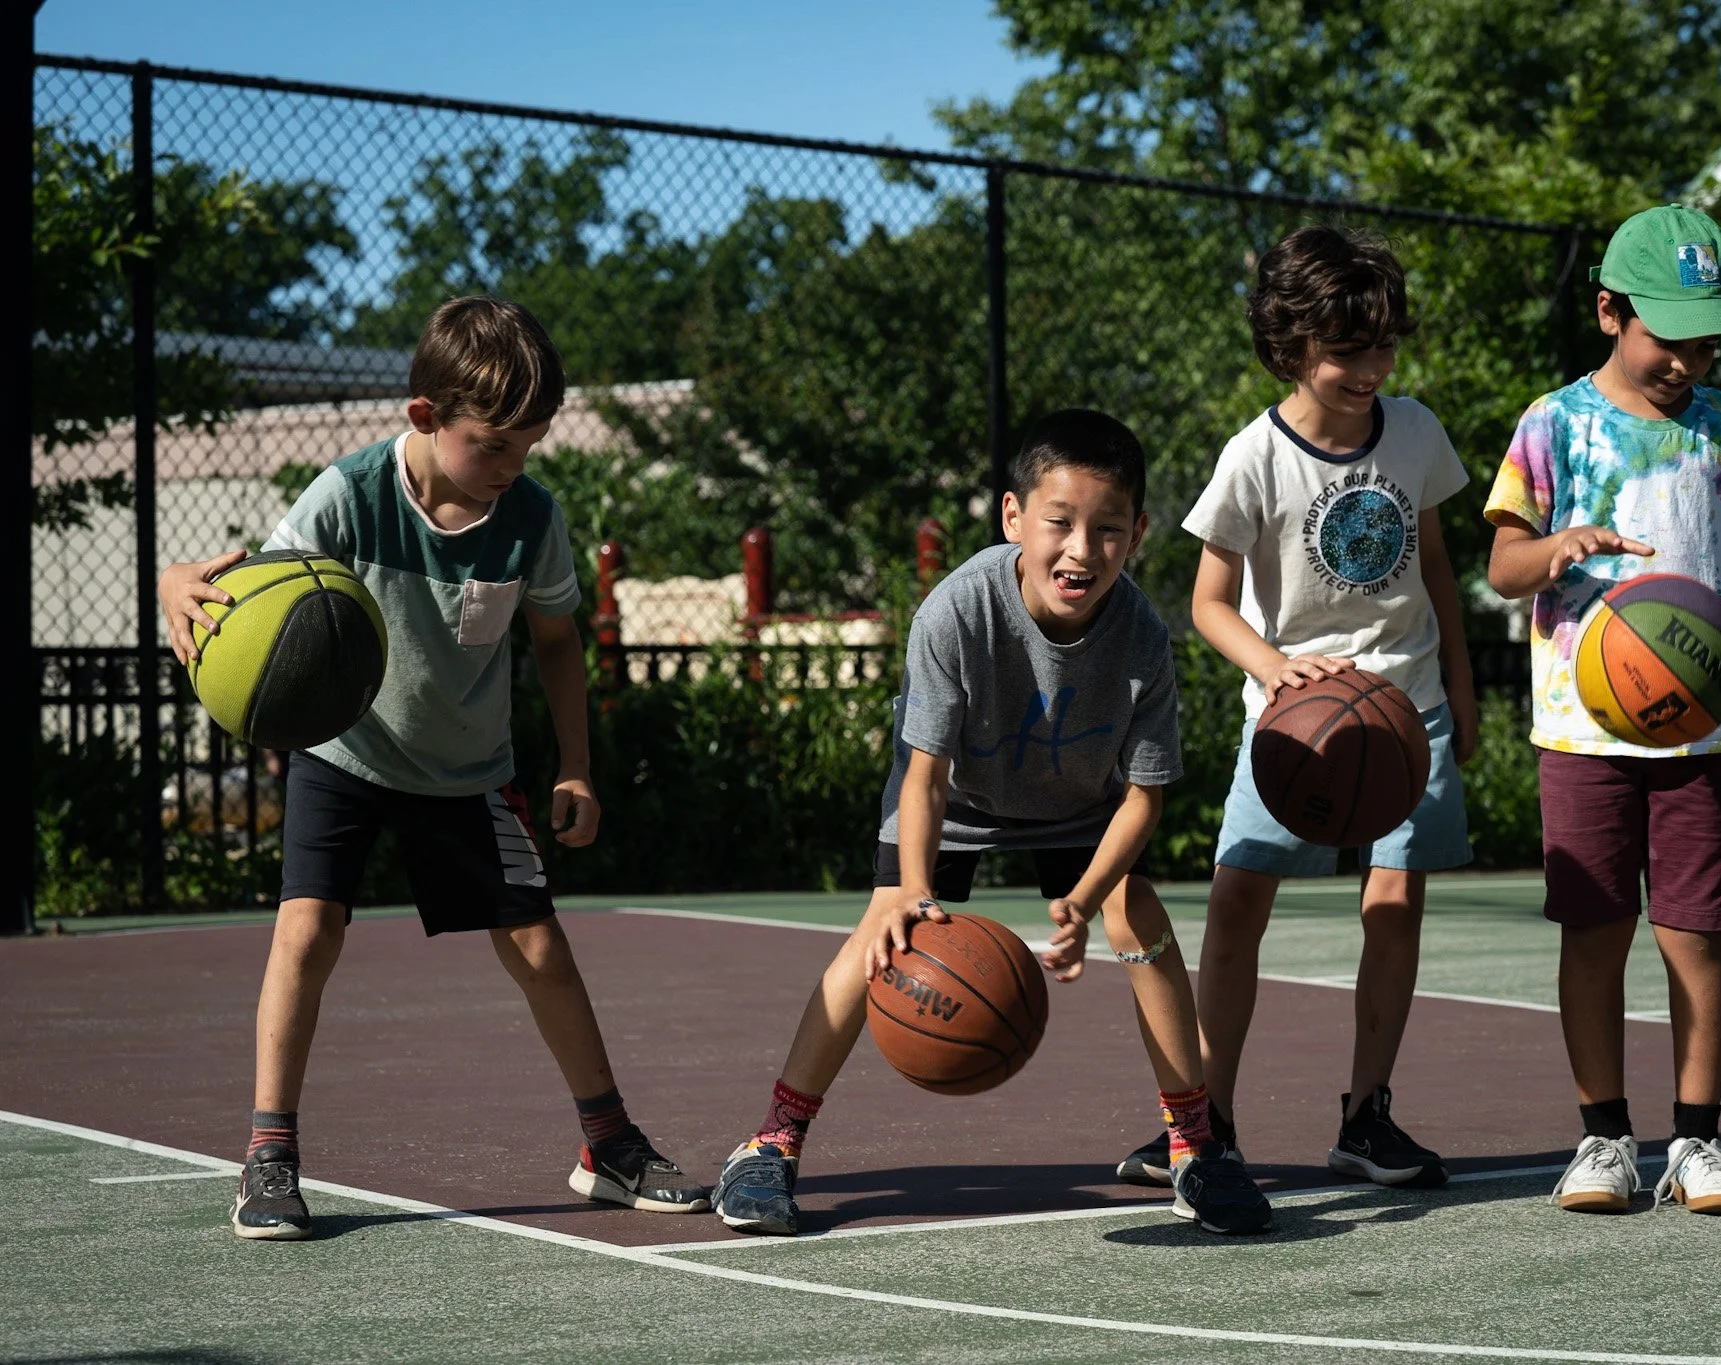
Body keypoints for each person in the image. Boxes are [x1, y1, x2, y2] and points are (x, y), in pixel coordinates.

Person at [157, 297, 709, 1240]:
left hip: (468, 770)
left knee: (541, 948)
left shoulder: (530, 517)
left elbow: (558, 643)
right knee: (306, 934)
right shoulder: (349, 495)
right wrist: (172, 582)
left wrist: (576, 766)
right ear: (424, 417)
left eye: (526, 448)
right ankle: (270, 1153)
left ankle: (608, 1145)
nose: (509, 468)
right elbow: (253, 599)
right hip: (346, 753)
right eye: (490, 446)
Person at [711, 409, 1272, 1237]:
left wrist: (1083, 901)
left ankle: (1195, 1142)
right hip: (958, 796)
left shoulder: (1144, 638)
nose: (1082, 549)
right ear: (1014, 518)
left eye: (1108, 528)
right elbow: (925, 774)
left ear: (1139, 532)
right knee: (881, 929)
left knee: (1139, 916)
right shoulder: (955, 611)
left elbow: (1142, 799)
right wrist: (909, 888)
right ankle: (770, 1143)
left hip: (1079, 802)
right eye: (1060, 523)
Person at [1117, 225, 1476, 1191]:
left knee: (1395, 904)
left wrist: (1465, 694)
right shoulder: (1253, 457)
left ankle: (1367, 1115)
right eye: (1346, 350)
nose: (1371, 368)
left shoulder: (1416, 431)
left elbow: (1437, 570)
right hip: (1296, 719)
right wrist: (1273, 668)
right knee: (1236, 905)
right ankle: (1205, 1119)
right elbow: (1205, 602)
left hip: (1407, 706)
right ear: (1289, 346)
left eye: (1384, 346)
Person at [1483, 204, 1721, 1216]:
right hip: (1582, 733)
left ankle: (1696, 1142)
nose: (1688, 357)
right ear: (1608, 312)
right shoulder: (1550, 422)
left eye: (1705, 336)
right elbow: (1499, 568)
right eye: (1669, 333)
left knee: (1696, 935)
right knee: (1593, 930)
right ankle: (1602, 1138)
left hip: (1704, 733)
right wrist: (1555, 546)